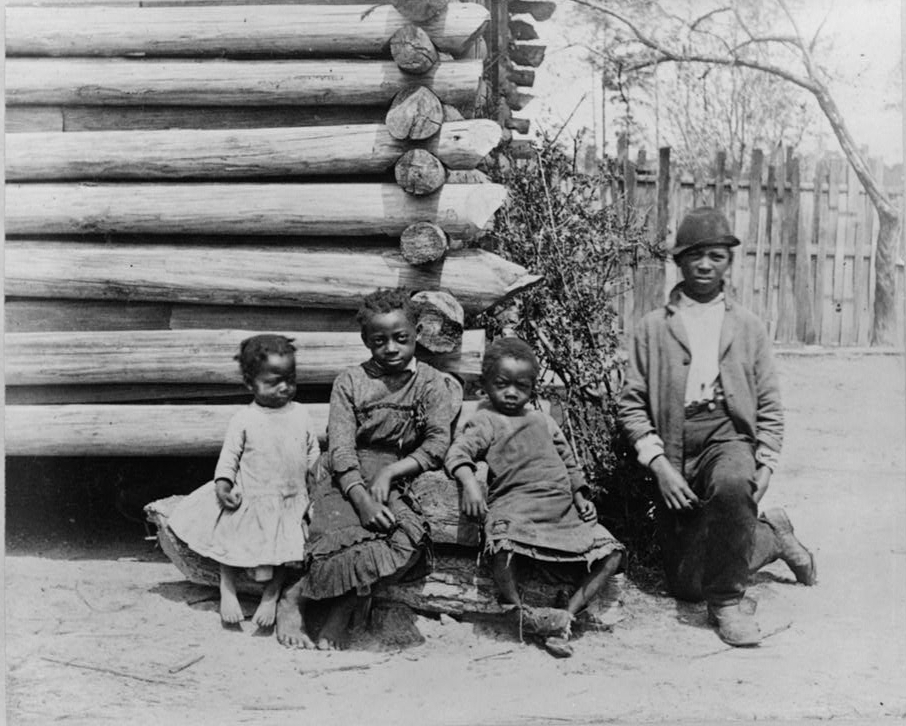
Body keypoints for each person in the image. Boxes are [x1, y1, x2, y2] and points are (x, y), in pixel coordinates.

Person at [618, 206, 817, 647]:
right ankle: (772, 536)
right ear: (679, 262)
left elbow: (769, 404)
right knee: (687, 585)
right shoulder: (652, 328)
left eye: (716, 255)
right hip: (674, 444)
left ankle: (728, 603)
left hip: (726, 434)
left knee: (732, 482)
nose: (705, 265)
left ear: (729, 261)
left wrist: (763, 464)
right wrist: (660, 466)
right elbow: (630, 405)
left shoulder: (747, 327)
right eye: (694, 256)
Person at [276, 288, 455, 650]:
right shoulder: (351, 381)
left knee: (405, 537)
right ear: (366, 341)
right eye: (379, 341)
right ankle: (294, 599)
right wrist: (360, 499)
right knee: (336, 528)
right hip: (347, 473)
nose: (391, 348)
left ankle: (345, 606)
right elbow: (341, 448)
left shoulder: (431, 383)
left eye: (400, 339)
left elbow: (437, 443)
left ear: (417, 334)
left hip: (398, 472)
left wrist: (391, 474)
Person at [445, 337, 625, 658]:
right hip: (518, 509)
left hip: (562, 512)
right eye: (502, 384)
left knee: (611, 554)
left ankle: (564, 618)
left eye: (522, 386)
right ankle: (521, 613)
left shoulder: (542, 419)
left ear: (532, 388)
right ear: (485, 383)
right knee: (502, 549)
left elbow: (568, 459)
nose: (512, 393)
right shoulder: (485, 419)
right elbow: (459, 452)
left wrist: (581, 494)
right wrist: (470, 483)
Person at [169, 334, 320, 628]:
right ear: (250, 384)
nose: (284, 387)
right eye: (273, 381)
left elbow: (312, 449)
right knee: (231, 535)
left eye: (290, 379)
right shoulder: (244, 418)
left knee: (286, 548)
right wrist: (223, 483)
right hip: (251, 494)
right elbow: (229, 456)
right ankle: (228, 589)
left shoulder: (301, 413)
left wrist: (315, 478)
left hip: (290, 497)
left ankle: (271, 593)